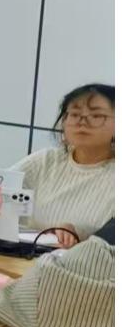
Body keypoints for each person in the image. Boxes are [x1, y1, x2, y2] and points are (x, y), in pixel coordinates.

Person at [16, 84, 115, 246]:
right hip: (22, 254)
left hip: (85, 261)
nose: (82, 122)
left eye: (96, 116)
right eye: (75, 114)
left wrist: (79, 232)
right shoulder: (45, 160)